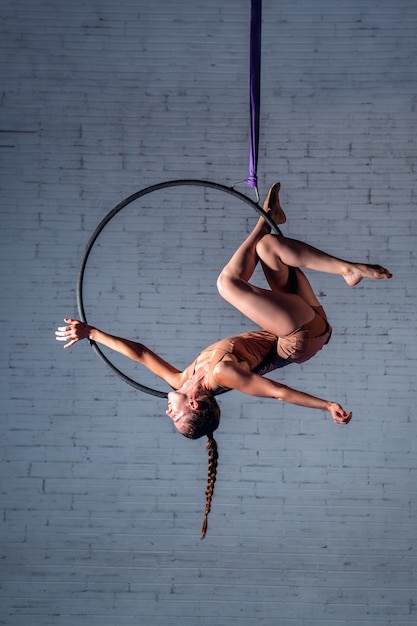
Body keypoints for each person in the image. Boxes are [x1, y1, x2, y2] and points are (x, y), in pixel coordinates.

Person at [56, 182, 392, 538]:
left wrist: (91, 333)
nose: (168, 412)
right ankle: (311, 248)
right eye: (177, 416)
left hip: (297, 326)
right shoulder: (223, 374)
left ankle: (312, 248)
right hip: (298, 339)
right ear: (195, 403)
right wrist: (325, 405)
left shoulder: (181, 378)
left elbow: (139, 353)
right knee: (227, 284)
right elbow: (277, 391)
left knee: (270, 249)